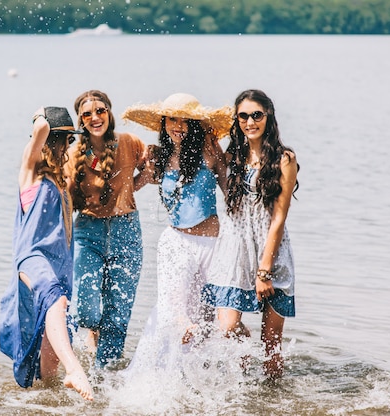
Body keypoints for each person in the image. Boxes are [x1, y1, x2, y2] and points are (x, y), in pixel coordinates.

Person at [121, 93, 232, 371]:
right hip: (176, 243)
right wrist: (134, 161)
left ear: (195, 124)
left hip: (212, 245)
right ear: (164, 123)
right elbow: (130, 188)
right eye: (172, 119)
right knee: (176, 314)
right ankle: (161, 373)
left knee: (208, 318)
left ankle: (201, 377)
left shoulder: (210, 150)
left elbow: (231, 193)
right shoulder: (158, 158)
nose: (178, 126)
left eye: (185, 120)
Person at [202, 89, 299, 378]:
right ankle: (242, 388)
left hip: (271, 251)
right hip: (236, 249)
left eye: (256, 115)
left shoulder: (284, 159)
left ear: (268, 117)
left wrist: (264, 270)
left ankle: (272, 400)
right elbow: (231, 196)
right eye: (243, 116)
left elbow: (279, 218)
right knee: (227, 327)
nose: (250, 121)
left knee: (271, 344)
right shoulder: (233, 154)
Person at [0, 106, 94, 401]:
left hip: (60, 266)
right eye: (64, 140)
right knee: (54, 298)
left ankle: (44, 399)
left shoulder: (59, 181)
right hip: (33, 259)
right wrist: (41, 117)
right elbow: (40, 131)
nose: (66, 148)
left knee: (49, 360)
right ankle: (75, 370)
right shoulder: (29, 173)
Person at [64, 90, 147, 369]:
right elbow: (64, 199)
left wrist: (134, 186)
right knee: (86, 310)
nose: (95, 117)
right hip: (88, 231)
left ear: (109, 112)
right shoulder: (75, 153)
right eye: (87, 114)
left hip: (127, 230)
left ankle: (104, 378)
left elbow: (153, 168)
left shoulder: (128, 142)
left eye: (100, 110)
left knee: (118, 312)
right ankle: (92, 334)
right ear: (80, 119)